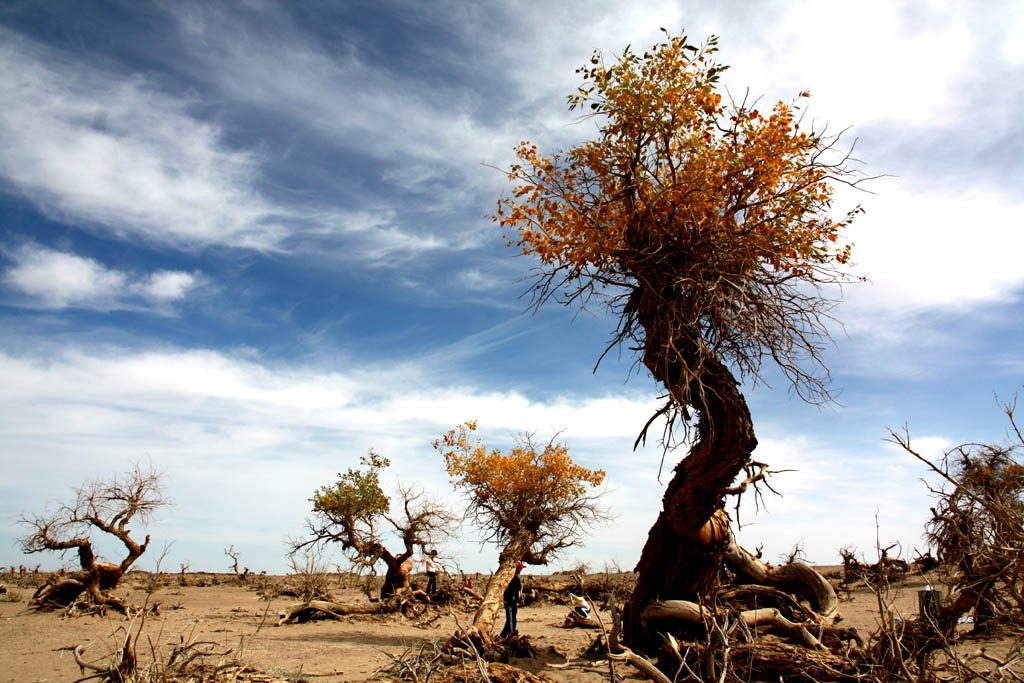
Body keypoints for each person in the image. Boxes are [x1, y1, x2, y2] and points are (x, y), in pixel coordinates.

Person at [500, 562, 525, 638]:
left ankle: (503, 635)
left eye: (521, 569)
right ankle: (512, 634)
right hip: (509, 602)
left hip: (514, 603)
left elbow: (519, 591)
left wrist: (521, 599)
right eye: (519, 568)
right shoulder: (509, 579)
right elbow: (509, 591)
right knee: (511, 619)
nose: (520, 570)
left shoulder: (517, 579)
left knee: (512, 619)